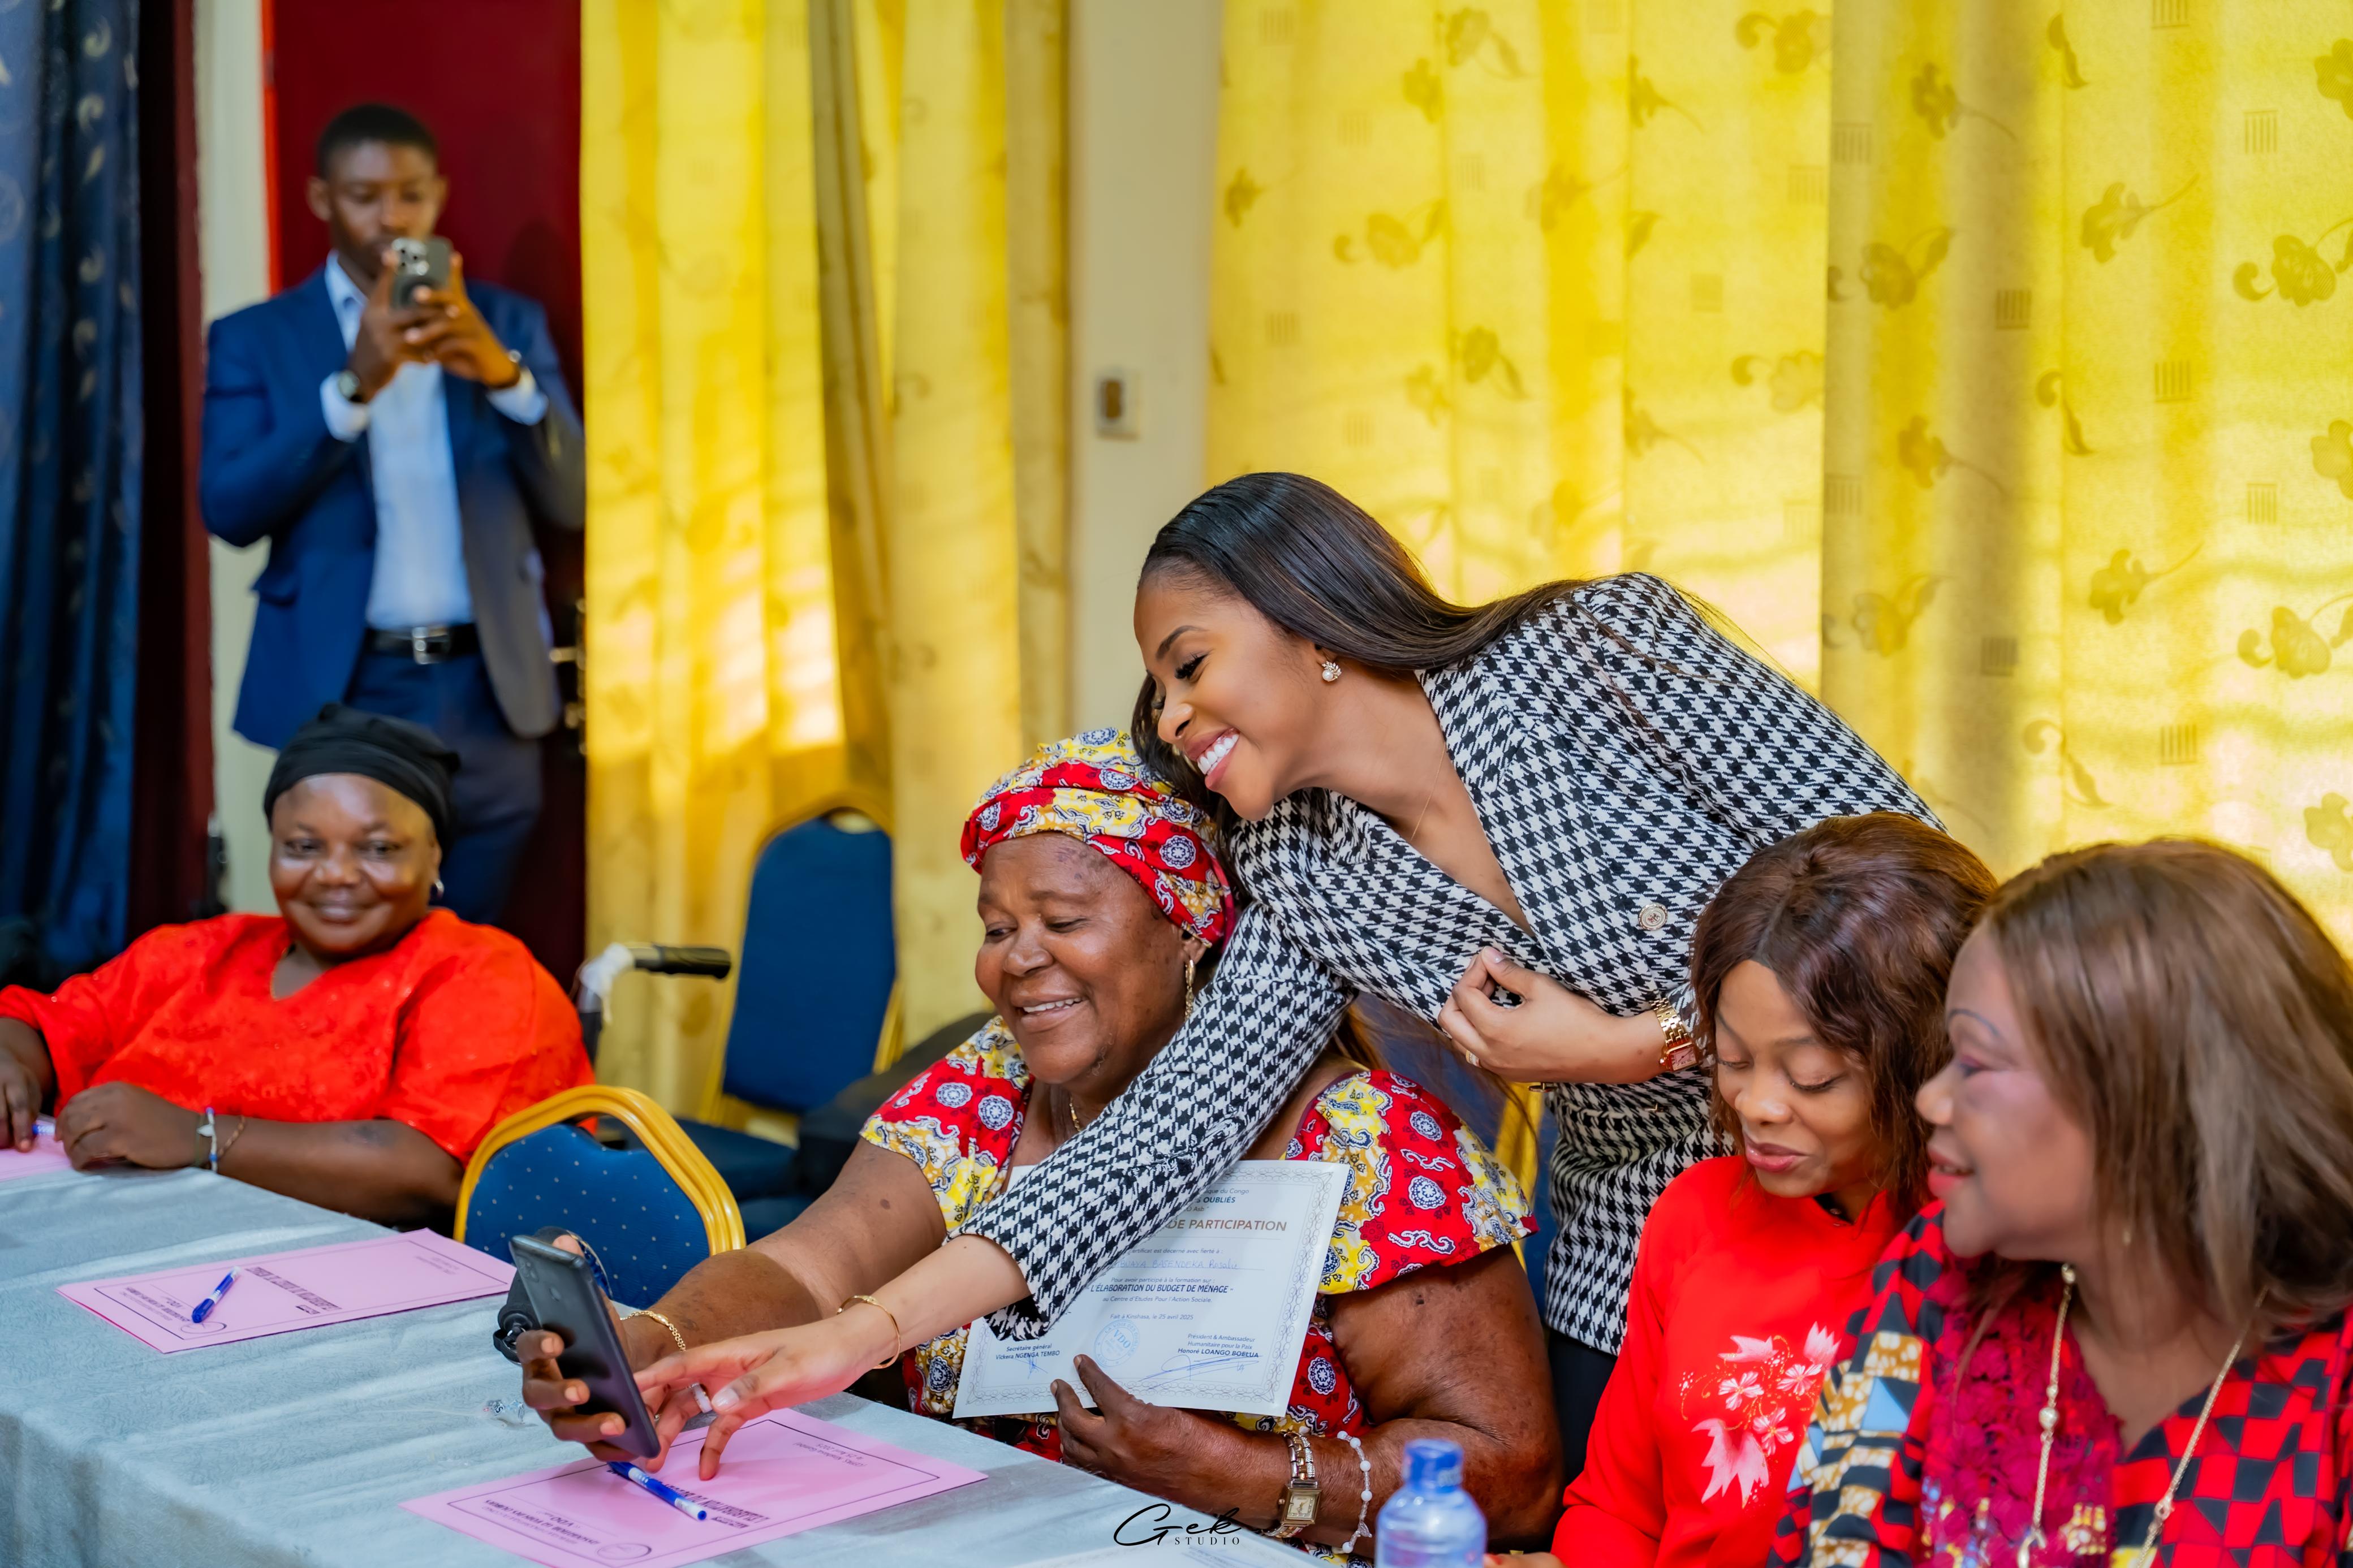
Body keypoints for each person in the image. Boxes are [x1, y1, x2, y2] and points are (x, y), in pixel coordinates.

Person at [611, 472, 1938, 1478]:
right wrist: (860, 1332)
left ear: (1309, 621)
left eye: (1189, 664)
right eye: (1159, 691)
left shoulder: (1598, 655)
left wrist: (1632, 1047)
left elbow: (1926, 903)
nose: (1172, 716)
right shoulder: (1301, 866)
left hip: (1887, 1186)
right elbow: (1159, 1140)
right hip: (1635, 1249)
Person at [524, 735, 1563, 1557]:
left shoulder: (1368, 1145)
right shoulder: (986, 1090)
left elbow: (1511, 1475)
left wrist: (1240, 1475)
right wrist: (662, 1342)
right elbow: (809, 1267)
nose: (1018, 960)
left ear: (1188, 924)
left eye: (1063, 919)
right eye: (996, 926)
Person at [1775, 840, 2353, 1568]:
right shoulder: (1932, 1274)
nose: (1931, 1100)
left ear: (2144, 1100)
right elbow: (1832, 1544)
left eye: (1974, 1061)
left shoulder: (2333, 1367)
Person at [1510, 815, 1992, 1568]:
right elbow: (1616, 1508)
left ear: (1927, 1062)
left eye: (1811, 1077)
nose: (1755, 1105)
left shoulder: (1985, 1255)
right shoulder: (1696, 1212)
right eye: (1733, 1060)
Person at [199, 102, 585, 925]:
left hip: (489, 689)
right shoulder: (257, 339)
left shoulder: (506, 325)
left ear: (438, 195)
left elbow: (575, 499)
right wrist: (351, 389)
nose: (392, 218)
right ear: (321, 198)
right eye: (365, 196)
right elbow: (229, 509)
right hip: (348, 690)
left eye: (411, 195)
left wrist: (507, 379)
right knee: (351, 929)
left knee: (478, 944)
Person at [0, 706, 591, 1223]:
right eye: (304, 847)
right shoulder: (200, 950)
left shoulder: (481, 972)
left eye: (378, 848)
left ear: (434, 853)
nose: (335, 874)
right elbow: (42, 1025)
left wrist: (197, 1136)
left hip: (353, 1283)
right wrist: (10, 1064)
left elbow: (427, 1173)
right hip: (121, 1243)